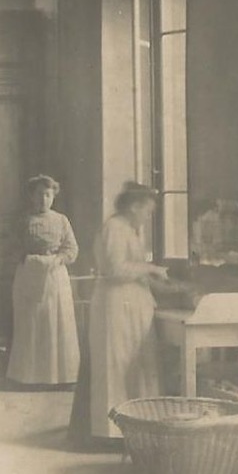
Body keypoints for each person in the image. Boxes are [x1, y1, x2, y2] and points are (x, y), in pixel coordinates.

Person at [87, 181, 170, 438]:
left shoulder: (131, 229)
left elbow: (130, 267)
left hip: (132, 303)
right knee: (117, 364)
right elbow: (114, 270)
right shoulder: (115, 227)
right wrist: (151, 269)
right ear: (134, 207)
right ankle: (114, 431)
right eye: (147, 210)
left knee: (136, 365)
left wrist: (151, 278)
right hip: (116, 304)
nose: (148, 216)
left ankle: (138, 426)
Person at [7, 175, 81, 386]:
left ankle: (61, 377)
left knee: (57, 322)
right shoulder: (22, 220)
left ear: (53, 196)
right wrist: (29, 259)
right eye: (39, 194)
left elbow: (72, 248)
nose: (43, 199)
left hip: (55, 275)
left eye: (48, 195)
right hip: (28, 273)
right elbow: (12, 248)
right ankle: (28, 377)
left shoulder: (61, 220)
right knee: (31, 323)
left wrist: (58, 259)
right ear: (31, 196)